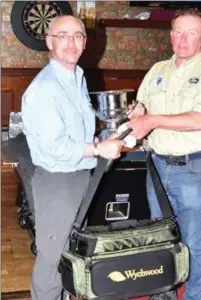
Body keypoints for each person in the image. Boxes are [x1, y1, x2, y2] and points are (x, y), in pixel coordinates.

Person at [128, 8, 201, 300]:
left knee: (193, 241)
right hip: (158, 168)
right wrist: (139, 112)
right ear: (170, 35)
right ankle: (164, 294)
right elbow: (142, 106)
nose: (182, 39)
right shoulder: (157, 70)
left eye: (191, 33)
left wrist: (153, 121)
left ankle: (196, 295)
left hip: (192, 169)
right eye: (177, 32)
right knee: (160, 239)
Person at [21, 15, 125, 300]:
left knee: (68, 250)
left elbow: (76, 133)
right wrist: (97, 150)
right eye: (63, 35)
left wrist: (98, 140)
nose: (71, 42)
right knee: (51, 258)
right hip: (57, 182)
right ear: (49, 42)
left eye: (78, 35)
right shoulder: (45, 88)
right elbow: (53, 149)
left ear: (85, 41)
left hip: (78, 176)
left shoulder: (75, 76)